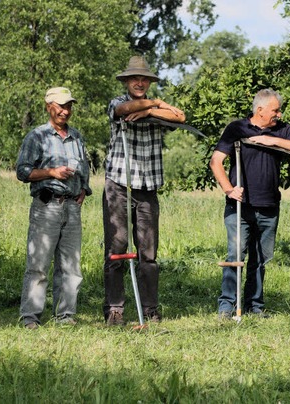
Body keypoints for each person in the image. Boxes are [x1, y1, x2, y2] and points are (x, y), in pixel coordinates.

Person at [210, 88, 290, 319]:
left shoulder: (281, 129)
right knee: (235, 255)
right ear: (260, 110)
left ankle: (255, 306)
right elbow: (216, 161)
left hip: (269, 206)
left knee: (260, 259)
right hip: (240, 205)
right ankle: (227, 306)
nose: (279, 114)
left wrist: (271, 140)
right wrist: (228, 189)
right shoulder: (237, 128)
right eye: (275, 110)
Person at [103, 56, 185, 326]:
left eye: (144, 79)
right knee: (117, 248)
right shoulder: (117, 102)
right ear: (127, 81)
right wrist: (153, 104)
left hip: (147, 187)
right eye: (134, 79)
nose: (139, 82)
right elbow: (124, 110)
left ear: (149, 82)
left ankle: (149, 308)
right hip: (119, 185)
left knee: (148, 253)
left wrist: (151, 110)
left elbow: (180, 116)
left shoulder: (152, 107)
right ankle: (115, 308)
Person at [16, 87, 92, 329]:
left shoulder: (77, 137)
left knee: (71, 266)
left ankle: (65, 315)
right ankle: (30, 317)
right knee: (38, 265)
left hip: (71, 207)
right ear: (49, 106)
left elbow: (85, 169)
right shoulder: (37, 136)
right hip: (46, 205)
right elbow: (22, 171)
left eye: (68, 105)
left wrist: (84, 189)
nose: (65, 110)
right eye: (60, 105)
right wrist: (51, 172)